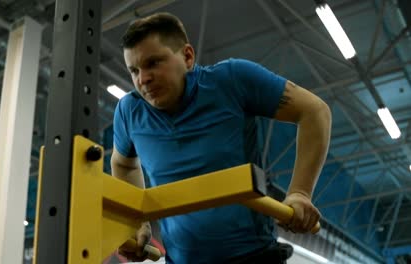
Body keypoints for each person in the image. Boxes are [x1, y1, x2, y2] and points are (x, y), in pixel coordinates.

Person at [111, 12, 331, 264]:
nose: (143, 78)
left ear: (187, 56)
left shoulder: (232, 80)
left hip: (253, 257)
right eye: (134, 70)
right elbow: (123, 163)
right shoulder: (130, 111)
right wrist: (136, 221)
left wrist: (300, 192)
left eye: (153, 63)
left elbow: (314, 111)